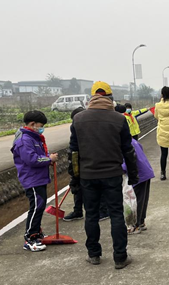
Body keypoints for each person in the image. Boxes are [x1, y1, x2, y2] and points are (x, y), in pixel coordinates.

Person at [69, 81, 138, 269]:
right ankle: (120, 257)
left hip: (87, 176)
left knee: (91, 215)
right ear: (110, 97)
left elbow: (73, 153)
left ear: (92, 97)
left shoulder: (78, 119)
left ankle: (94, 254)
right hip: (112, 174)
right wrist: (133, 175)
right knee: (116, 214)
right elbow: (128, 150)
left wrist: (75, 178)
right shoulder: (118, 119)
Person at [11, 110, 59, 252]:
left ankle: (37, 233)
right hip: (31, 178)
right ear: (32, 124)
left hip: (39, 177)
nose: (42, 128)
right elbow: (31, 159)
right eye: (41, 125)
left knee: (40, 205)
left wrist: (47, 159)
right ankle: (30, 238)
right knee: (36, 207)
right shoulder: (24, 140)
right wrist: (49, 159)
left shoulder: (34, 137)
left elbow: (39, 155)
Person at [64, 107, 109, 222]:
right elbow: (73, 150)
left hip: (92, 165)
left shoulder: (93, 130)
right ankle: (78, 211)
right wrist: (74, 172)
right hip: (79, 164)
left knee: (99, 187)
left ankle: (103, 211)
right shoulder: (76, 129)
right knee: (77, 187)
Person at [123, 137, 154, 235]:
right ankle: (141, 222)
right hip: (145, 171)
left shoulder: (121, 144)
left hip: (138, 174)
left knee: (136, 200)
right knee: (143, 198)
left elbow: (126, 162)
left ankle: (135, 225)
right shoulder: (131, 140)